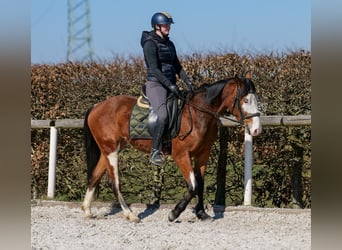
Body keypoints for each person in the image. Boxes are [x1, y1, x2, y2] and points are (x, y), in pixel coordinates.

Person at [141, 11, 194, 166]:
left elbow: (177, 66)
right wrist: (169, 85)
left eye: (169, 25)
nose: (168, 27)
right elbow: (154, 69)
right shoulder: (149, 44)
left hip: (170, 83)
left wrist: (187, 81)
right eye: (165, 25)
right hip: (156, 84)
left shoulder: (169, 44)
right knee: (163, 115)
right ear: (157, 26)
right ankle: (155, 151)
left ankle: (173, 143)